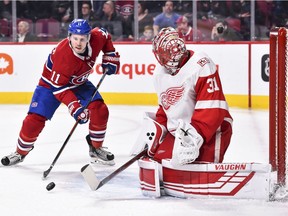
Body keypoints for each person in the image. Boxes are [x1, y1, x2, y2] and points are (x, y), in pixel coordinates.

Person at [1, 19, 120, 166]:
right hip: (51, 85)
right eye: (75, 38)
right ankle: (20, 152)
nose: (78, 43)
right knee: (33, 121)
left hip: (78, 83)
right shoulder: (63, 56)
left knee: (100, 110)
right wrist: (74, 107)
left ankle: (96, 149)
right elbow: (59, 89)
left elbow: (106, 35)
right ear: (69, 36)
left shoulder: (97, 37)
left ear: (89, 37)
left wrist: (110, 54)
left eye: (82, 39)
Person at [131, 27, 233, 195]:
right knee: (159, 160)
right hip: (180, 132)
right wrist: (157, 133)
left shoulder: (202, 64)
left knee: (198, 173)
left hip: (212, 131)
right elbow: (165, 107)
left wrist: (193, 138)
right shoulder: (160, 74)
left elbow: (213, 109)